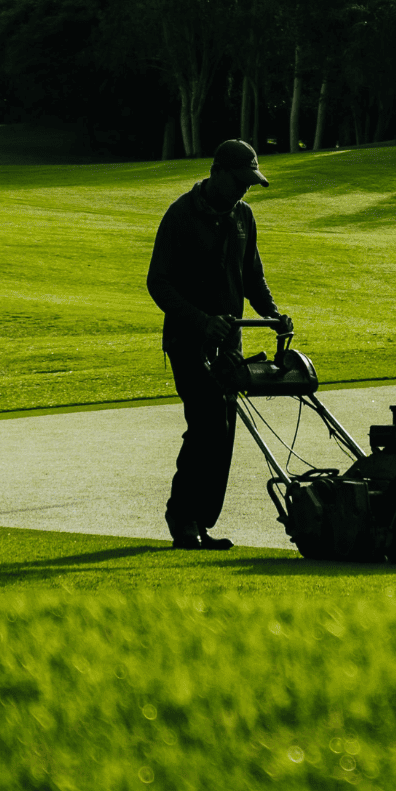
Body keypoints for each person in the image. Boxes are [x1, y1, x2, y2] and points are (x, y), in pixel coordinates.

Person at [146, 138, 288, 551]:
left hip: (229, 342)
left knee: (223, 431)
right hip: (188, 341)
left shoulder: (243, 215)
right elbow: (159, 282)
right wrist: (200, 321)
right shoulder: (181, 215)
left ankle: (201, 521)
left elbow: (252, 277)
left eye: (250, 182)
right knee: (206, 424)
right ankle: (183, 519)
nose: (244, 189)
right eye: (239, 181)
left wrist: (273, 315)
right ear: (218, 172)